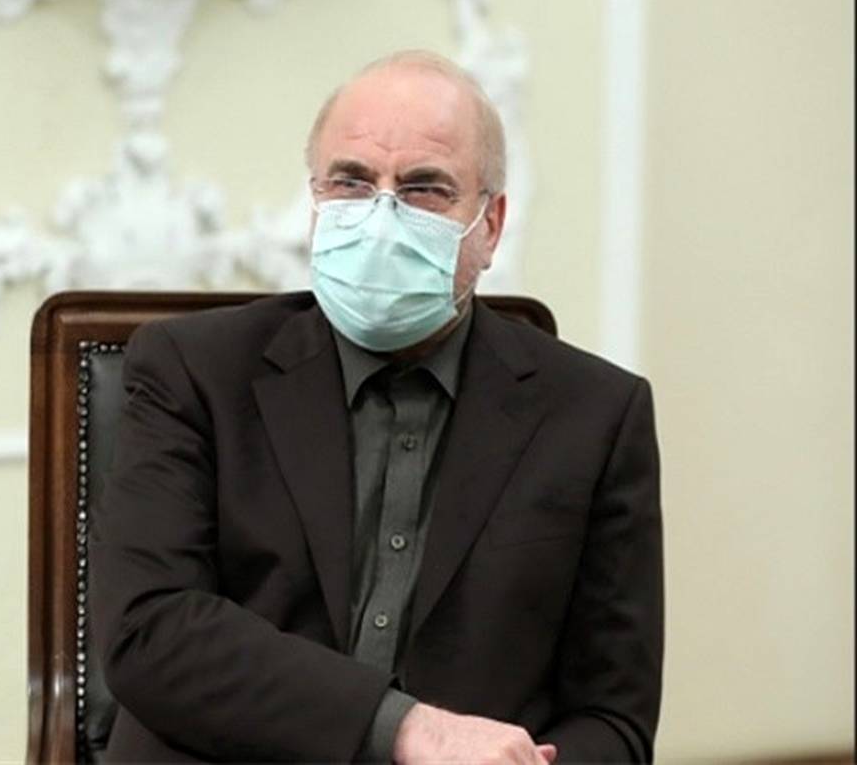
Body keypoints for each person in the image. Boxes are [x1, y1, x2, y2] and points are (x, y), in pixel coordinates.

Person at [90, 50, 663, 764]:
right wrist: (407, 728)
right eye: (351, 182)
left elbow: (612, 718)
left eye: (424, 188)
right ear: (315, 201)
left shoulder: (596, 415)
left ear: (490, 225)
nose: (381, 214)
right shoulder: (193, 371)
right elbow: (149, 631)